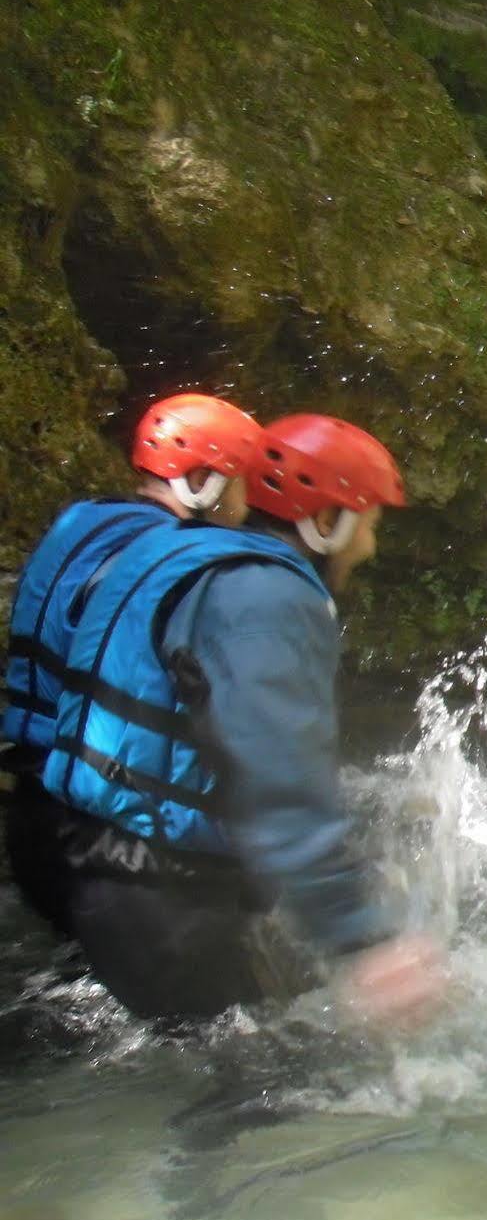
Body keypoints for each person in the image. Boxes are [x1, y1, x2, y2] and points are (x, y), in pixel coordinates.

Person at [39, 413, 447, 1030]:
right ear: (327, 521)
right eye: (370, 523)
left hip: (93, 865)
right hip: (162, 899)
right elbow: (279, 777)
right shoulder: (267, 600)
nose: (371, 546)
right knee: (282, 1096)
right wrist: (365, 941)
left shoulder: (175, 551)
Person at [3, 392, 263, 934]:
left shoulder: (80, 525)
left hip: (31, 812)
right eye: (241, 484)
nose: (247, 504)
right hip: (112, 848)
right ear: (204, 483)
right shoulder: (177, 570)